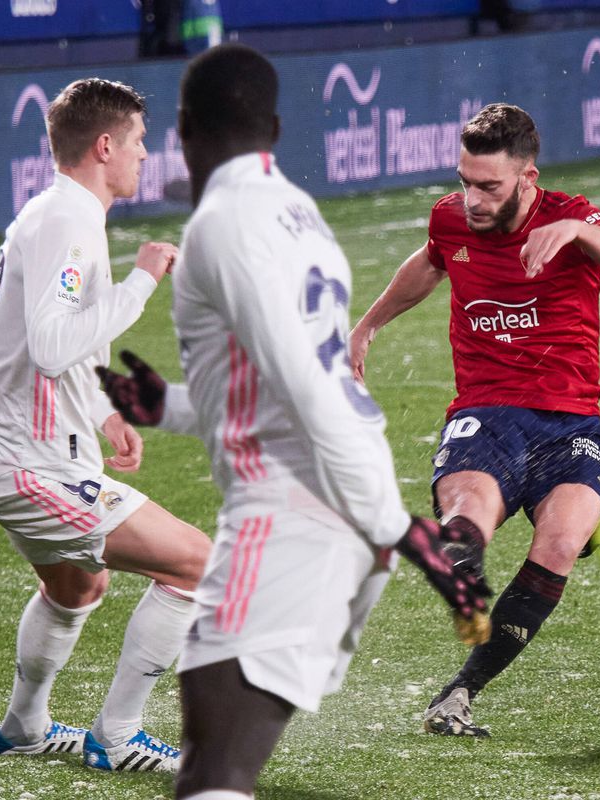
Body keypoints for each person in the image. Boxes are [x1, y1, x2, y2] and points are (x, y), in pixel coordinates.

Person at [92, 44, 491, 799]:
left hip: (288, 523)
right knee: (220, 771)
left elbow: (310, 387)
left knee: (210, 775)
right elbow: (281, 386)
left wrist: (407, 534)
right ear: (274, 127)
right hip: (321, 517)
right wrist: (172, 407)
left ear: (181, 129)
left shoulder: (221, 225)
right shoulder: (297, 212)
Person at [348, 102, 600, 738]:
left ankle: (459, 693)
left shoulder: (569, 215)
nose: (473, 199)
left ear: (527, 177)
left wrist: (577, 234)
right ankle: (461, 569)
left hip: (572, 427)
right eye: (465, 181)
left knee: (562, 543)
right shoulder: (452, 219)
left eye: (489, 186)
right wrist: (369, 323)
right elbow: (430, 262)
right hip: (487, 414)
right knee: (468, 526)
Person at [0, 77, 211, 773]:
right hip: (25, 463)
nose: (144, 155)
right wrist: (143, 282)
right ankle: (119, 734)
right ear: (104, 146)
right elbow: (49, 345)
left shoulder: (61, 216)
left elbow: (58, 339)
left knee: (77, 588)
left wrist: (102, 412)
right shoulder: (67, 220)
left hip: (28, 447)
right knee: (196, 564)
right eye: (137, 142)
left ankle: (24, 727)